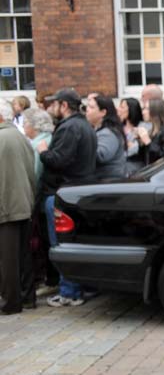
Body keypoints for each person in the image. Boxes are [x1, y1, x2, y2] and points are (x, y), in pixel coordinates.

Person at [37, 88, 97, 308]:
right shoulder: (84, 126)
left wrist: (43, 151)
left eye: (54, 104)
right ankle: (80, 288)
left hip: (62, 194)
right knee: (74, 243)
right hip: (77, 192)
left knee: (62, 245)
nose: (51, 108)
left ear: (63, 106)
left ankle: (70, 292)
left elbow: (59, 160)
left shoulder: (70, 127)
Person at [0, 100, 36, 314]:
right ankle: (27, 296)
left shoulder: (3, 137)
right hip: (22, 202)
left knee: (7, 259)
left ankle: (11, 302)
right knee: (23, 255)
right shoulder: (20, 136)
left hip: (6, 206)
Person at [21, 107, 55, 297]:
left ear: (34, 125)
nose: (24, 126)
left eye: (26, 123)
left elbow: (35, 174)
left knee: (45, 240)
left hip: (42, 199)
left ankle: (51, 279)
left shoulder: (38, 144)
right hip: (44, 197)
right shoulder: (44, 140)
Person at [86, 95, 127, 180]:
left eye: (91, 107)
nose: (87, 110)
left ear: (103, 112)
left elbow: (100, 156)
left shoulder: (108, 133)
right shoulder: (99, 130)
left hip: (108, 183)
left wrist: (81, 146)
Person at [136, 99, 164, 165]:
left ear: (156, 111)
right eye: (143, 109)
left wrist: (148, 142)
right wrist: (141, 142)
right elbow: (144, 159)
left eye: (147, 109)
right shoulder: (151, 132)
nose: (143, 112)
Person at [118, 98, 145, 175]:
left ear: (131, 109)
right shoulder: (118, 127)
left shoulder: (142, 127)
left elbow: (136, 149)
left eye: (122, 107)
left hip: (135, 167)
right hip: (120, 166)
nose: (119, 109)